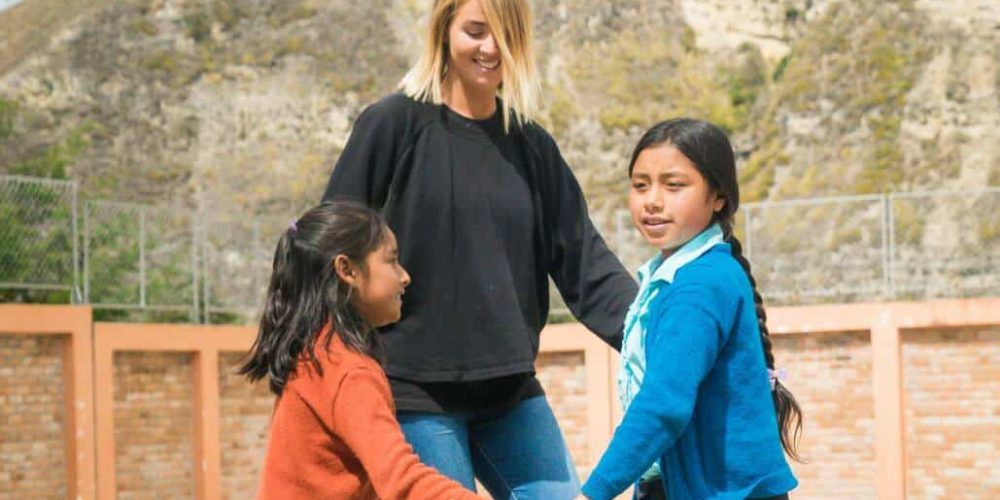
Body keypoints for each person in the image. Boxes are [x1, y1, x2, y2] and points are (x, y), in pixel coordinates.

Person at [322, 0, 637, 497]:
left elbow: (585, 263)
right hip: (411, 389)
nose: (491, 48)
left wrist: (660, 332)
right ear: (444, 29)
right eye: (475, 31)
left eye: (505, 35)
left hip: (510, 391)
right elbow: (329, 244)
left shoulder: (532, 147)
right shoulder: (392, 124)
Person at [580, 119, 802, 500]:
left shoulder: (699, 286)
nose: (652, 200)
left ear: (718, 197)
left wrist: (593, 493)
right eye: (640, 185)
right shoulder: (683, 276)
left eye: (674, 185)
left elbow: (663, 405)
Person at [240, 201, 479, 500]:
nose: (404, 276)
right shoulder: (348, 371)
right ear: (347, 270)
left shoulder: (316, 351)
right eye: (391, 261)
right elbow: (401, 480)